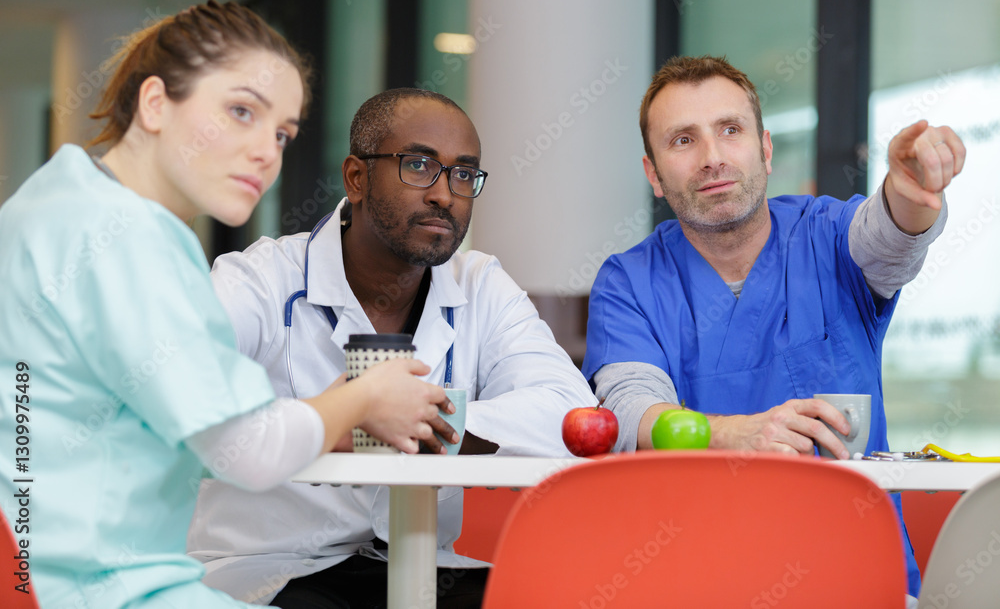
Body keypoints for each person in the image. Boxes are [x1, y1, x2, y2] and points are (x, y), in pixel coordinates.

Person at [0, 1, 451, 609]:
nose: (267, 150)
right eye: (242, 111)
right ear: (155, 103)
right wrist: (365, 396)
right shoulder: (129, 237)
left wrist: (335, 417)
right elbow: (248, 451)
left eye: (283, 133)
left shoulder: (54, 201)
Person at [185, 87, 598, 608]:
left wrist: (421, 422)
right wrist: (346, 418)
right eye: (419, 165)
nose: (444, 194)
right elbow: (185, 394)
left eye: (463, 174)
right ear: (356, 178)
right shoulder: (261, 280)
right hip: (274, 568)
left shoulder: (481, 285)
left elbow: (570, 413)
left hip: (424, 563)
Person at [583, 55, 965, 600]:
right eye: (683, 140)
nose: (713, 158)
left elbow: (889, 238)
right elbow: (629, 412)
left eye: (730, 130)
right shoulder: (629, 282)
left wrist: (908, 191)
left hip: (857, 579)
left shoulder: (828, 236)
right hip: (693, 584)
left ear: (764, 148)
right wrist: (732, 435)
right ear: (654, 175)